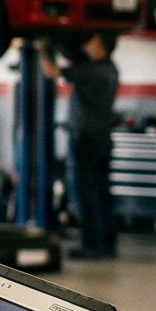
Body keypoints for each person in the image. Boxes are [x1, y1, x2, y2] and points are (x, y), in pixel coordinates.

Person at [46, 31, 121, 259]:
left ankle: (90, 246)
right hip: (101, 138)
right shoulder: (110, 69)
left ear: (102, 47)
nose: (88, 46)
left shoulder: (91, 70)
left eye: (93, 42)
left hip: (85, 139)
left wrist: (42, 47)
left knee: (83, 194)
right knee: (101, 193)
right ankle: (106, 244)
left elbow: (51, 71)